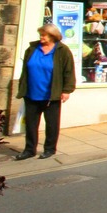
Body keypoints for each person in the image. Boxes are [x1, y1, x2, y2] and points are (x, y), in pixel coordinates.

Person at [15, 23, 76, 160]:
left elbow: (69, 71)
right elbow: (25, 70)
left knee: (52, 124)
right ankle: (29, 150)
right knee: (30, 124)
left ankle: (49, 149)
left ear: (53, 36)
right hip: (31, 93)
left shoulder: (62, 50)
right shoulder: (32, 49)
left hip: (51, 95)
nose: (41, 37)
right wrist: (22, 87)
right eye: (40, 34)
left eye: (44, 34)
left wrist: (67, 90)